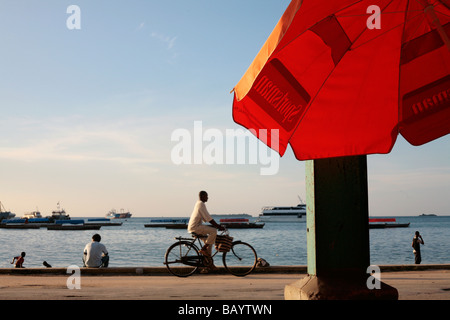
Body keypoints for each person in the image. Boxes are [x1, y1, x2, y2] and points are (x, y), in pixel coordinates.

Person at [188, 191, 225, 271]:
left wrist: (214, 225)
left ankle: (207, 265)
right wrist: (218, 226)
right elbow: (209, 218)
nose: (207, 198)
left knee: (209, 243)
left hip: (195, 226)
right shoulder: (201, 204)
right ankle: (203, 249)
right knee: (214, 231)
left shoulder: (198, 203)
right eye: (206, 196)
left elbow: (206, 219)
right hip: (195, 227)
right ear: (202, 196)